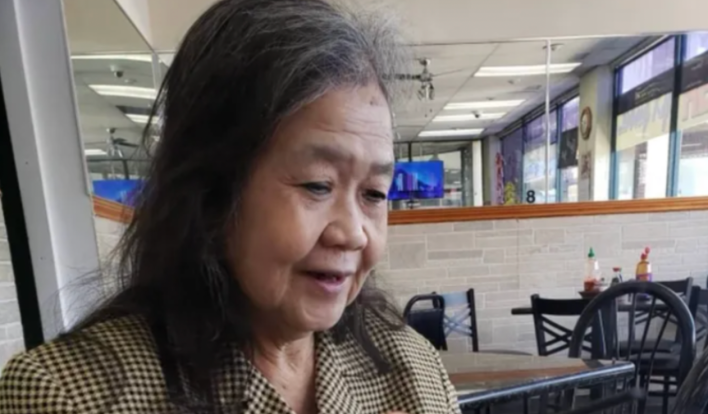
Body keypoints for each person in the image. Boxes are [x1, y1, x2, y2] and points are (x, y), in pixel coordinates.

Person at [0, 1, 461, 413]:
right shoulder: (69, 395)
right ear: (210, 191)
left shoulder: (413, 368)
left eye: (374, 194)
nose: (354, 233)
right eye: (317, 185)